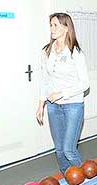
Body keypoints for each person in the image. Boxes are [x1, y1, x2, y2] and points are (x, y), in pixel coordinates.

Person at [36, 13, 90, 175]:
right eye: (51, 25)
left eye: (56, 26)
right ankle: (69, 176)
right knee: (59, 150)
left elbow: (85, 83)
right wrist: (41, 105)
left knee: (68, 149)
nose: (52, 29)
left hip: (73, 105)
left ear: (66, 28)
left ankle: (84, 177)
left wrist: (62, 93)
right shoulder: (47, 51)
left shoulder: (76, 52)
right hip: (53, 107)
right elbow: (44, 80)